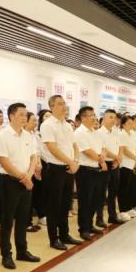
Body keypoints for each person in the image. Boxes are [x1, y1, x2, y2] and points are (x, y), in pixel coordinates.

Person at [0, 103, 41, 269]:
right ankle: (6, 255)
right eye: (21, 114)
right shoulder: (3, 136)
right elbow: (4, 161)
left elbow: (33, 157)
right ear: (11, 116)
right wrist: (22, 177)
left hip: (26, 180)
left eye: (25, 114)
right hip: (10, 181)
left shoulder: (28, 136)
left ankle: (22, 251)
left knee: (23, 218)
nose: (24, 117)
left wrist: (29, 176)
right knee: (7, 219)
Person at [40, 95, 82, 251]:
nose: (64, 106)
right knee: (54, 205)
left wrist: (75, 161)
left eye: (64, 103)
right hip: (55, 169)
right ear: (52, 107)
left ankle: (64, 234)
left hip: (69, 168)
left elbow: (74, 145)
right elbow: (52, 148)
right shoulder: (47, 125)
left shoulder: (67, 125)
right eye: (60, 104)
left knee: (65, 204)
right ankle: (54, 238)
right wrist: (70, 161)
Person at [74, 106, 107, 240]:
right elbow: (87, 151)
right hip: (85, 171)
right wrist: (101, 159)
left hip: (96, 169)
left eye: (94, 115)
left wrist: (102, 157)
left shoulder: (95, 132)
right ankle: (83, 229)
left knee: (95, 200)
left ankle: (90, 224)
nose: (94, 117)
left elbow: (103, 148)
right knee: (85, 201)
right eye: (91, 115)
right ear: (83, 118)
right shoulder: (79, 133)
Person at [96, 109, 124, 226]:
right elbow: (104, 149)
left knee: (113, 191)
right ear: (104, 118)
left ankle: (112, 216)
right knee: (101, 193)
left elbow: (121, 146)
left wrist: (118, 159)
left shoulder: (116, 132)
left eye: (114, 118)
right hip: (104, 164)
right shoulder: (99, 132)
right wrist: (116, 157)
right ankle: (99, 218)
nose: (113, 120)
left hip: (115, 164)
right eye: (110, 117)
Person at [118, 116, 136, 220]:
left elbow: (135, 148)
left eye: (132, 123)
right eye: (129, 123)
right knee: (124, 189)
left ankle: (130, 208)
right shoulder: (121, 134)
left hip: (132, 164)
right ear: (123, 124)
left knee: (131, 188)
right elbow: (125, 150)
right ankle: (123, 210)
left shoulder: (132, 134)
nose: (131, 125)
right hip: (125, 164)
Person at [24, 111, 43, 233]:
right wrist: (34, 166)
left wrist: (39, 164)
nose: (36, 123)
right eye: (33, 120)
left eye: (36, 120)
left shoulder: (34, 135)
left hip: (36, 168)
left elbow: (37, 152)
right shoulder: (24, 135)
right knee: (26, 199)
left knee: (33, 196)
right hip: (26, 170)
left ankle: (29, 221)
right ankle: (26, 223)